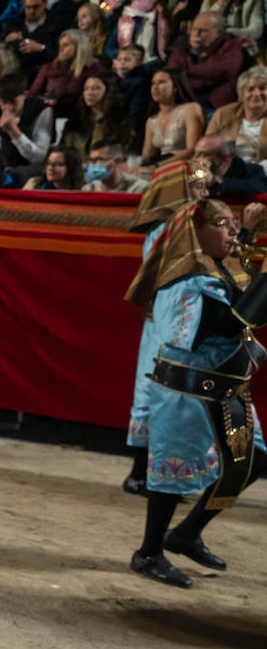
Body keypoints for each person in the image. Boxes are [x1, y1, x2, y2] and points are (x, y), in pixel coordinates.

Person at [123, 198, 266, 586]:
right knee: (171, 478)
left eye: (233, 223)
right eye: (222, 224)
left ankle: (186, 534)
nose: (232, 232)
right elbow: (221, 326)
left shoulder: (214, 268)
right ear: (195, 232)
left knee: (250, 460)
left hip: (223, 391)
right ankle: (148, 553)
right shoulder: (184, 279)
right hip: (186, 394)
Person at [121, 159, 212, 497]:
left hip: (185, 315)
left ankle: (167, 474)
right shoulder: (170, 227)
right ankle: (142, 473)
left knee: (177, 392)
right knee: (156, 389)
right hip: (169, 316)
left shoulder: (190, 223)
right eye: (197, 186)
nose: (204, 193)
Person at [0, 73, 56, 176]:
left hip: (34, 171)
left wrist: (14, 132)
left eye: (13, 102)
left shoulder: (41, 110)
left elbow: (38, 157)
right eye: (4, 102)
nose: (9, 108)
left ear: (25, 95)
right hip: (2, 172)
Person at [166, 11, 247, 110]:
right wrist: (209, 76)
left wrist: (188, 71)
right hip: (184, 101)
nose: (196, 34)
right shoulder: (181, 48)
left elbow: (226, 69)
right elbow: (174, 75)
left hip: (214, 104)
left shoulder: (230, 46)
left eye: (203, 30)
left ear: (218, 33)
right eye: (194, 29)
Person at [30, 29, 107, 116]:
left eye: (66, 45)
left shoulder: (93, 67)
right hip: (49, 114)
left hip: (82, 116)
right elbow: (32, 95)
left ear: (80, 46)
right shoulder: (49, 67)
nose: (61, 49)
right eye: (60, 45)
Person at [142, 67, 206, 167]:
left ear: (175, 86)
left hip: (188, 166)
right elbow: (146, 157)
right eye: (153, 83)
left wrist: (158, 166)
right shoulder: (151, 121)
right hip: (161, 167)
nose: (155, 87)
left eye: (161, 82)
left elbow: (192, 149)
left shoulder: (190, 109)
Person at [60, 73, 134, 156]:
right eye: (86, 88)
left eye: (96, 88)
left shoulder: (119, 122)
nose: (89, 92)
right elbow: (63, 150)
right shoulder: (74, 122)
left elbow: (124, 152)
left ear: (108, 91)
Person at [205, 65, 267, 160]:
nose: (256, 94)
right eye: (250, 89)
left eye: (262, 88)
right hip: (226, 168)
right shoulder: (224, 114)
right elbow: (207, 145)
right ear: (241, 94)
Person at [3, 0, 65, 80]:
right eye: (28, 7)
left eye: (36, 7)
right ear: (23, 6)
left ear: (45, 4)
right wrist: (6, 42)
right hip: (16, 74)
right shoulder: (14, 24)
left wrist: (41, 48)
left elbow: (62, 56)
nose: (32, 11)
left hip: (45, 74)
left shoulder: (57, 25)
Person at [108, 0, 172, 63]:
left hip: (153, 64)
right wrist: (123, 56)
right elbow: (109, 48)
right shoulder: (125, 21)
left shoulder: (163, 20)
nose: (135, 2)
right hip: (128, 64)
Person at [196, 131, 267, 192]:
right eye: (195, 153)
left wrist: (215, 182)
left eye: (203, 154)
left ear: (225, 157)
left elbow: (260, 188)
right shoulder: (194, 172)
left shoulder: (252, 171)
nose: (195, 159)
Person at [82, 139, 150, 190]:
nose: (92, 165)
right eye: (91, 160)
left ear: (118, 161)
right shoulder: (90, 189)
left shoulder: (139, 188)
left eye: (98, 159)